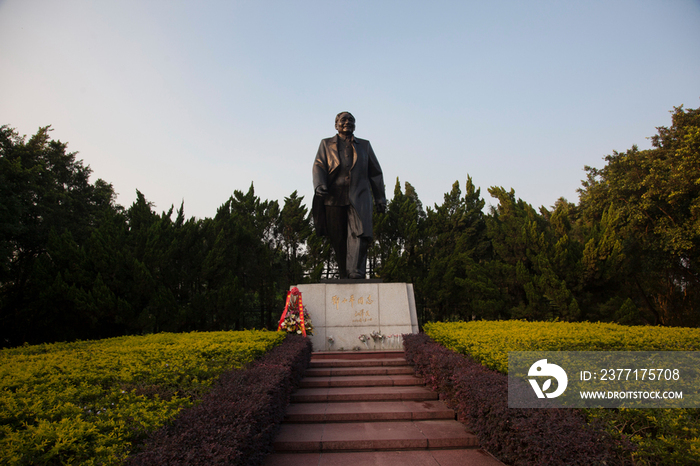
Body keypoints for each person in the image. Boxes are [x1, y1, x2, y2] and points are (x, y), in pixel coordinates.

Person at [312, 112, 386, 279]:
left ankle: (356, 271)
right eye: (343, 120)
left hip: (359, 195)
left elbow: (375, 173)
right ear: (336, 124)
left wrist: (380, 198)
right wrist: (320, 184)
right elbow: (319, 166)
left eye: (351, 120)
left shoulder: (365, 146)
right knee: (337, 236)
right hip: (333, 195)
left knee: (359, 232)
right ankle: (344, 272)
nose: (347, 123)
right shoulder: (326, 144)